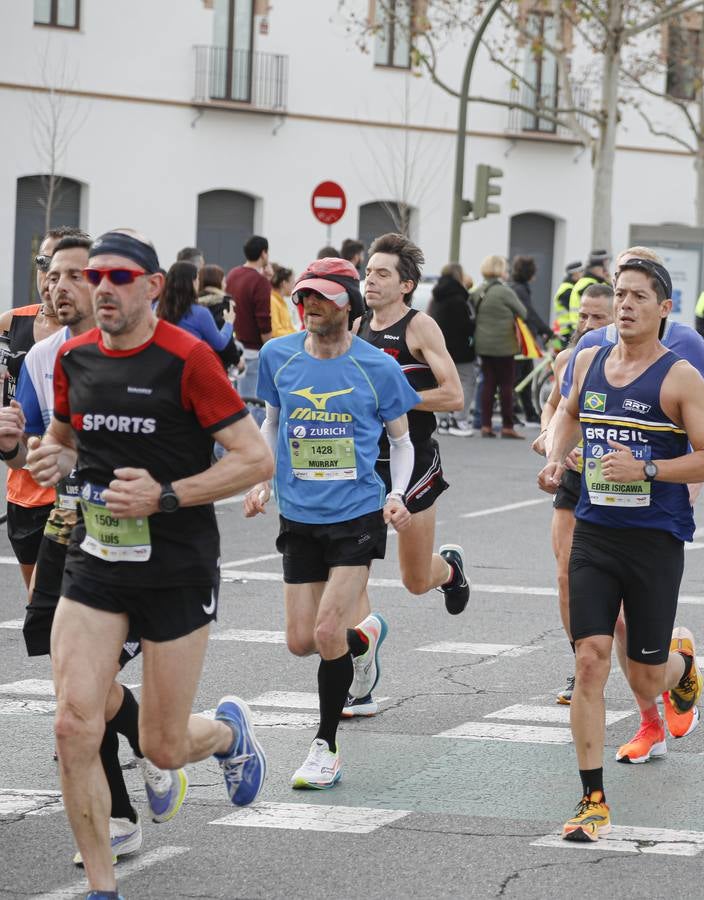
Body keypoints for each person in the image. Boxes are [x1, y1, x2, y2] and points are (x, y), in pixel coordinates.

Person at [28, 229, 273, 896]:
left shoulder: (188, 359)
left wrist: (168, 496)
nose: (102, 287)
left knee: (163, 746)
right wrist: (51, 458)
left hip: (177, 564)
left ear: (153, 287)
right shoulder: (71, 358)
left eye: (118, 277)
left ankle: (225, 736)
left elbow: (255, 459)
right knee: (72, 721)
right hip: (97, 558)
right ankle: (103, 887)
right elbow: (65, 443)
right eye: (94, 277)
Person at [1, 230, 176, 867]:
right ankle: (126, 806)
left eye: (77, 275)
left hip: (140, 535)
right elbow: (33, 453)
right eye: (54, 275)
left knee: (87, 686)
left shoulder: (151, 353)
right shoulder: (42, 358)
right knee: (73, 687)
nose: (61, 286)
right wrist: (9, 446)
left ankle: (155, 756)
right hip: (66, 526)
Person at [537, 255, 704, 842]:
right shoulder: (589, 361)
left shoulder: (679, 377)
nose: (625, 305)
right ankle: (592, 798)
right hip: (595, 533)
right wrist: (553, 455)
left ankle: (681, 667)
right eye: (620, 294)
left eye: (639, 297)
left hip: (654, 541)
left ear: (664, 309)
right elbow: (568, 414)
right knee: (590, 657)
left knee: (646, 678)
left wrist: (646, 466)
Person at [244, 256, 420, 789]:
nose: (309, 304)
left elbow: (402, 441)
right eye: (303, 296)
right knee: (302, 640)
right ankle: (362, 639)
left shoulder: (379, 367)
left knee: (325, 631)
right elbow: (272, 422)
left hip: (357, 515)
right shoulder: (278, 356)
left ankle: (325, 747)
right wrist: (263, 478)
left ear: (348, 303)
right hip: (299, 514)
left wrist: (396, 494)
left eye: (321, 295)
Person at [350, 233, 471, 717]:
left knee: (415, 580)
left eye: (381, 274)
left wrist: (397, 398)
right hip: (362, 464)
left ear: (406, 285)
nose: (370, 281)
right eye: (368, 272)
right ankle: (361, 677)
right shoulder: (356, 325)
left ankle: (451, 570)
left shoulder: (420, 328)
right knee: (350, 567)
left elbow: (455, 395)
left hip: (414, 458)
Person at [534, 282, 616, 705]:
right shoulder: (570, 359)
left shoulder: (635, 365)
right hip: (573, 477)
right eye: (583, 316)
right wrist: (553, 440)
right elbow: (553, 407)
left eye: (598, 317)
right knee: (566, 576)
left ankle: (647, 659)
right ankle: (580, 664)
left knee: (619, 589)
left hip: (621, 481)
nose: (587, 324)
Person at [2, 228, 67, 589]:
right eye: (44, 263)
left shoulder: (90, 334)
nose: (49, 276)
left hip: (72, 492)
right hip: (23, 486)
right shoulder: (12, 323)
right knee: (38, 606)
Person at [471, 255, 531, 438]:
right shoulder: (505, 292)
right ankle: (507, 426)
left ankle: (486, 426)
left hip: (483, 345)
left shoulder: (477, 291)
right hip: (504, 345)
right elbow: (523, 312)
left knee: (488, 383)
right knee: (506, 385)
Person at [426, 263, 477, 436]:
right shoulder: (458, 298)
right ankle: (459, 419)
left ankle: (443, 420)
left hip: (439, 346)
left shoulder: (436, 296)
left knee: (442, 382)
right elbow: (465, 325)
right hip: (460, 348)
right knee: (467, 380)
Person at [224, 234, 272, 398]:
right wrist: (270, 350)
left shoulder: (232, 274)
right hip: (253, 351)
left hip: (234, 347)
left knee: (237, 400)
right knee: (253, 404)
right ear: (264, 253)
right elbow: (263, 321)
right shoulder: (259, 282)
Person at [508, 255, 550, 426]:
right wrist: (546, 330)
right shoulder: (520, 290)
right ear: (529, 273)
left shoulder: (519, 288)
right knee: (517, 378)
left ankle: (530, 412)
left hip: (523, 339)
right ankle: (515, 412)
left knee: (525, 375)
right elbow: (529, 313)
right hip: (520, 340)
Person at [158, 261, 236, 354]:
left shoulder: (158, 309)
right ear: (193, 282)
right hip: (190, 363)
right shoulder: (200, 313)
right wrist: (228, 323)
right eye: (198, 278)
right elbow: (219, 344)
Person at [566, 251, 610, 339]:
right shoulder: (592, 284)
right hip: (585, 330)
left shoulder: (584, 281)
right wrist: (610, 283)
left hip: (579, 328)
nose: (606, 272)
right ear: (598, 269)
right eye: (604, 269)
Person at [553, 259, 584, 336]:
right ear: (574, 274)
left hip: (567, 330)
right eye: (581, 271)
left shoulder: (569, 287)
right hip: (567, 331)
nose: (583, 274)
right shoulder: (567, 290)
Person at [269, 265, 298, 338]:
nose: (294, 285)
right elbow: (275, 332)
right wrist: (295, 335)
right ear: (284, 283)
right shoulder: (273, 301)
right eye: (292, 281)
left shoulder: (281, 302)